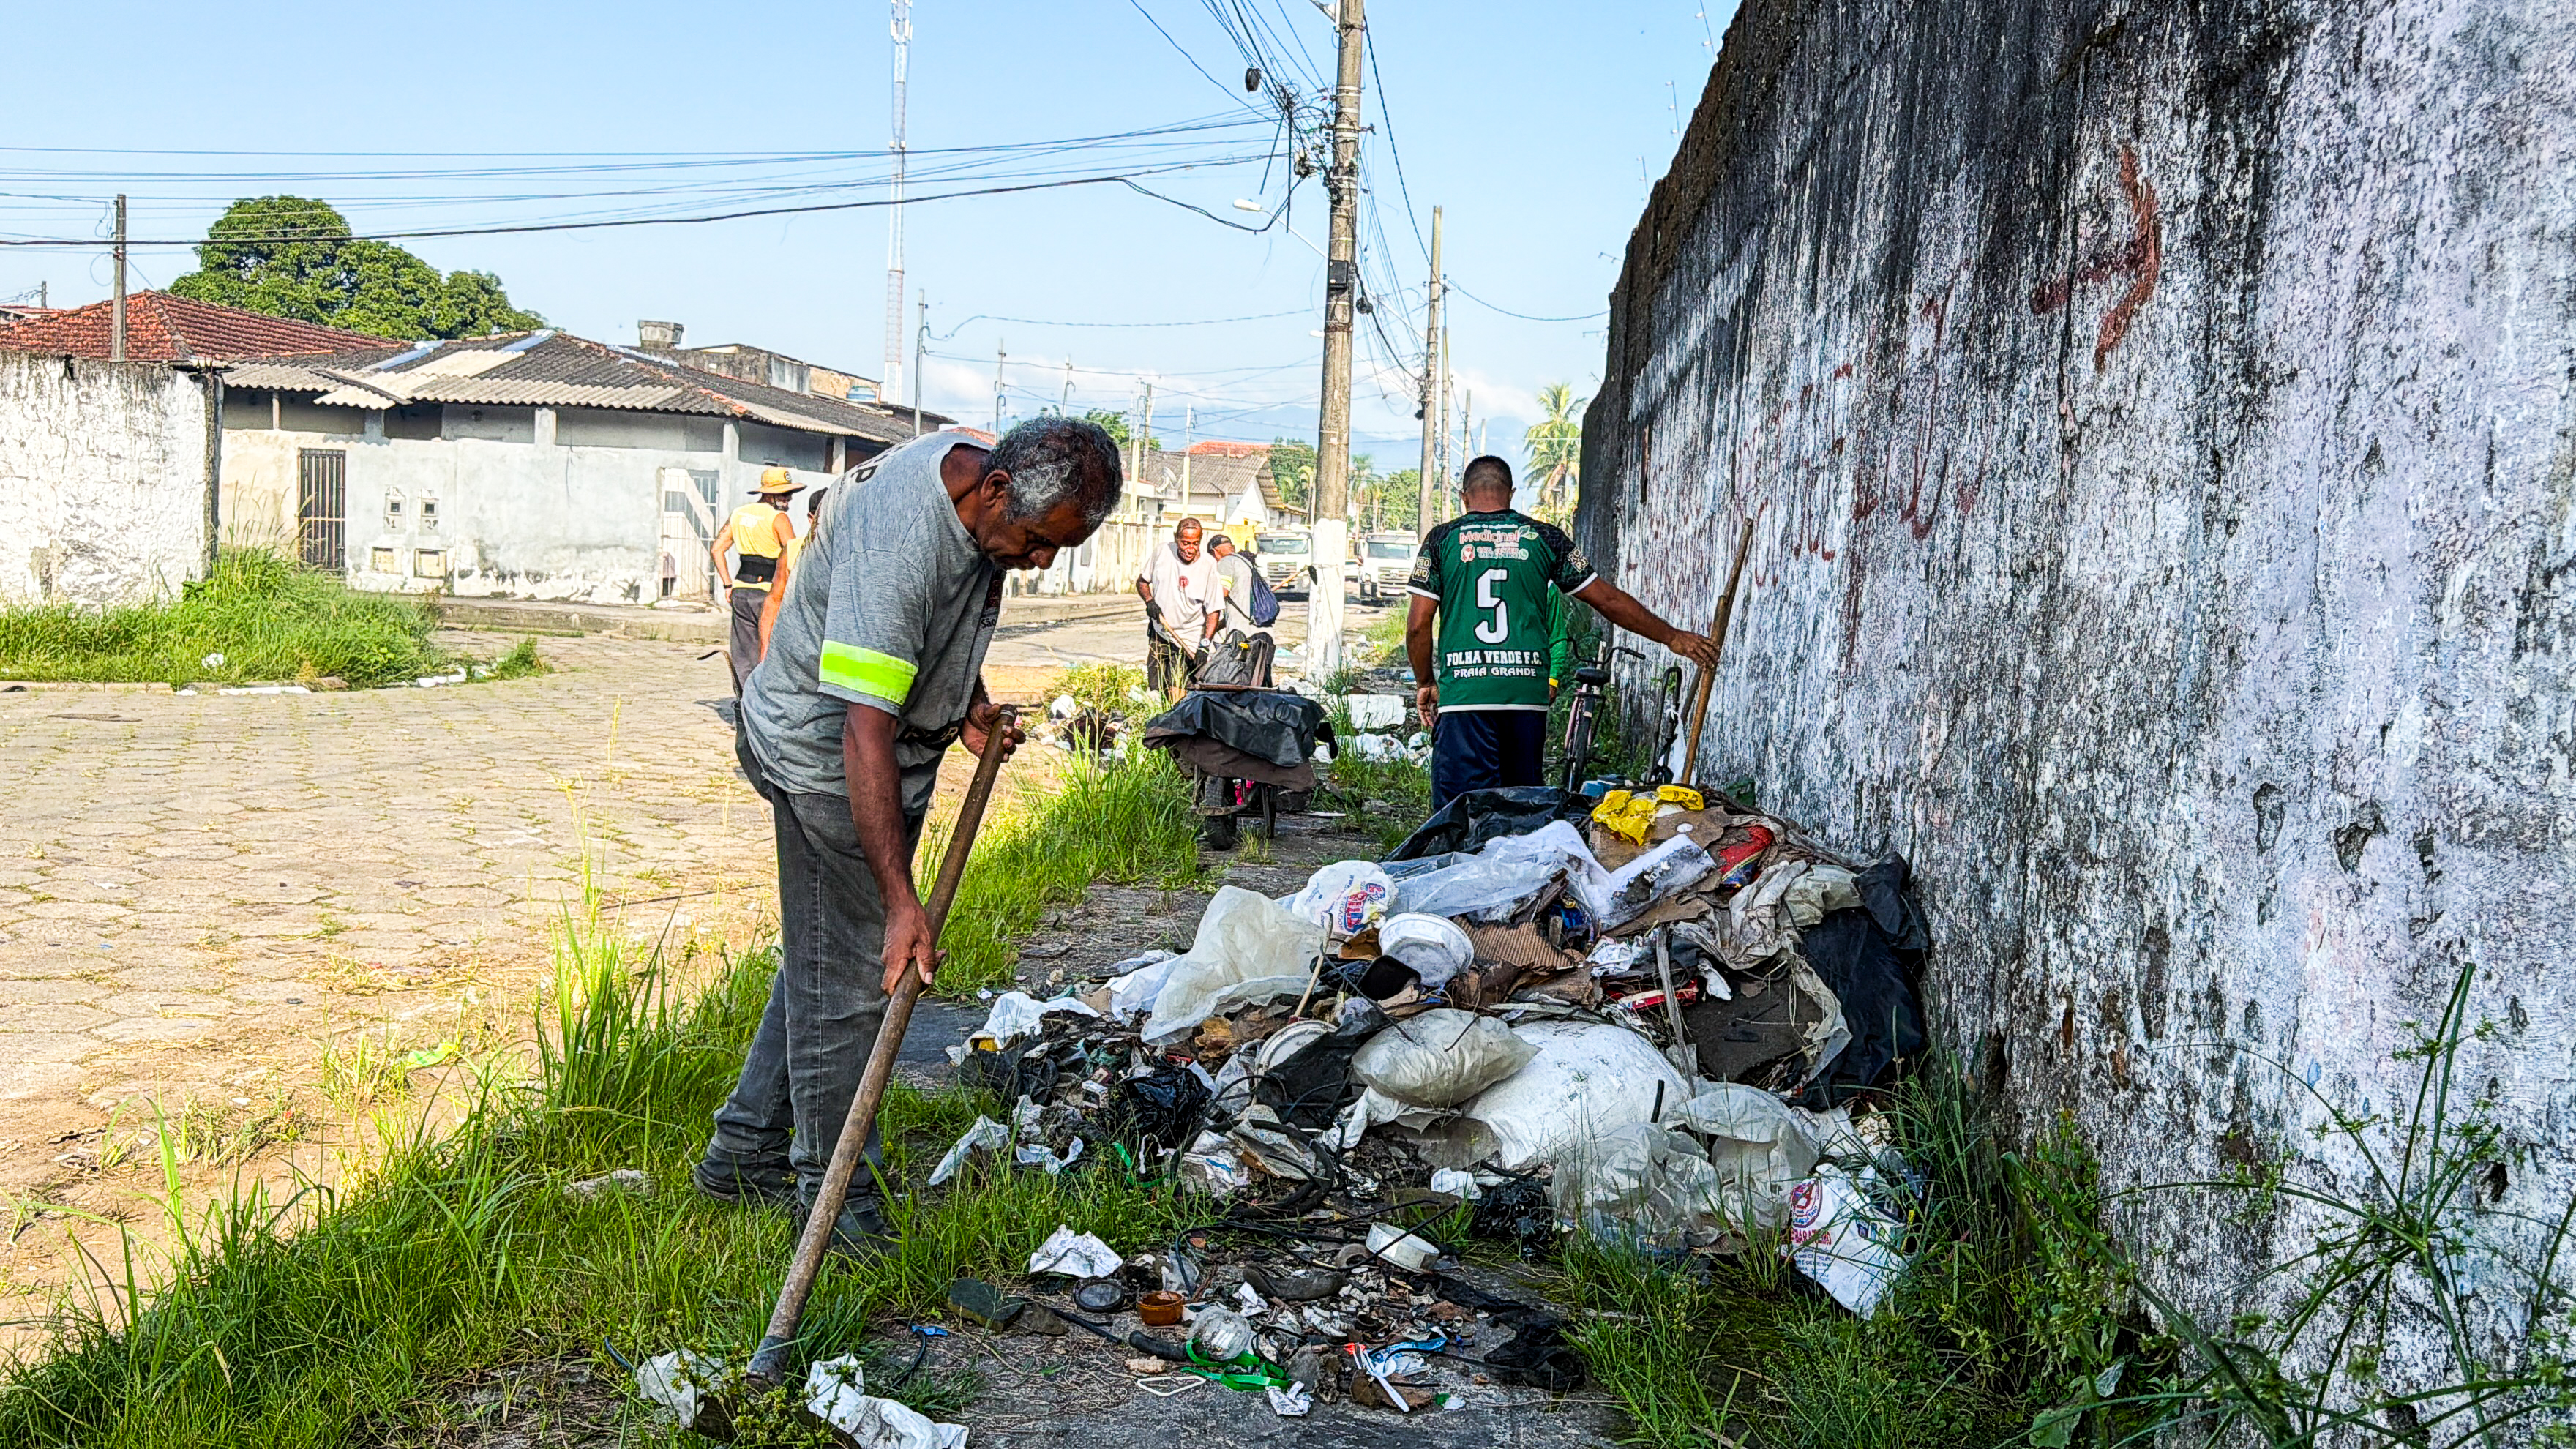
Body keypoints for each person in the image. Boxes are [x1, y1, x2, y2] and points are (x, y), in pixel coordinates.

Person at [694, 419, 1123, 1250]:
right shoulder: (900, 540)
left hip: (886, 753)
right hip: (827, 761)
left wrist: (965, 697)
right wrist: (902, 901)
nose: (1038, 563)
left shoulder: (979, 479)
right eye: (1035, 543)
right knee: (857, 977)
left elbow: (940, 616)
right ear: (994, 491)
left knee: (827, 956)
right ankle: (839, 1201)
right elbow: (863, 732)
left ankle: (743, 1149)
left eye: (1056, 551)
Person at [1406, 455, 1719, 810]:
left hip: (1465, 696)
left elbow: (1418, 625)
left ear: (1464, 497)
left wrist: (1425, 682)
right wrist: (1673, 637)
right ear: (1510, 493)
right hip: (1525, 697)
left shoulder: (1442, 540)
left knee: (1459, 815)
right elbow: (1608, 600)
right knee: (1520, 812)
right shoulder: (1544, 538)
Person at [712, 468, 802, 692]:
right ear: (769, 495)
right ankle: (763, 706)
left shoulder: (738, 514)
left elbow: (716, 549)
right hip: (768, 595)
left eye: (789, 494)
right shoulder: (778, 519)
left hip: (741, 591)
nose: (788, 500)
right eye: (783, 495)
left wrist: (727, 584)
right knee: (769, 653)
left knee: (744, 654)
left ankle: (744, 705)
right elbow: (792, 555)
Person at [1136, 516, 1216, 696]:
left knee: (1179, 692)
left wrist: (1204, 645)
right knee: (1156, 690)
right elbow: (1142, 582)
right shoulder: (1162, 552)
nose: (1190, 549)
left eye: (1195, 544)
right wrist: (1150, 601)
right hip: (1160, 632)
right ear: (1176, 538)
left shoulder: (1209, 565)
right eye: (1186, 543)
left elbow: (1213, 612)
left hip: (1189, 638)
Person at [758, 484, 830, 655]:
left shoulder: (854, 552)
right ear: (811, 519)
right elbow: (774, 602)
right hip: (802, 648)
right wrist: (765, 651)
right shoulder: (793, 549)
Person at [1200, 532, 1274, 686]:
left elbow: (1221, 593)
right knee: (1262, 679)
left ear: (1214, 552)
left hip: (1243, 637)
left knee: (1242, 680)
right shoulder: (1247, 563)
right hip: (1264, 633)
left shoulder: (1225, 562)